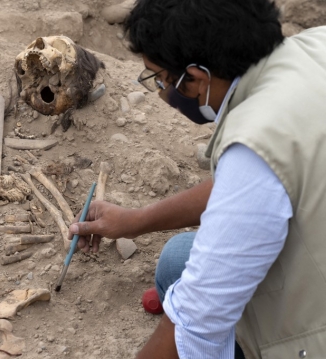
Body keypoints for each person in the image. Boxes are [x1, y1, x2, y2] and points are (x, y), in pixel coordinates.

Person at [67, 0, 326, 358]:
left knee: (192, 305)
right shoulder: (315, 46)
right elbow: (249, 188)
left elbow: (194, 323)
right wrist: (136, 220)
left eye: (161, 78)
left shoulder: (256, 142)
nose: (161, 92)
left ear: (198, 77)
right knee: (177, 260)